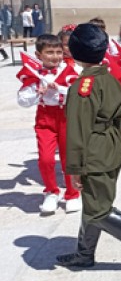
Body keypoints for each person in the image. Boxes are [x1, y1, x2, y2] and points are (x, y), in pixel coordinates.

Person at [55, 23, 121, 275]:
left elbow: (77, 132)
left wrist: (75, 168)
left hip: (93, 154)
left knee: (99, 209)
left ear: (74, 52)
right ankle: (84, 254)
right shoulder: (109, 78)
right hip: (110, 149)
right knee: (94, 203)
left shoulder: (83, 87)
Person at [17, 34, 81, 214]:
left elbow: (80, 92)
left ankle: (73, 194)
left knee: (69, 158)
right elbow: (22, 101)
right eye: (49, 52)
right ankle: (51, 192)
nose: (55, 56)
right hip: (45, 118)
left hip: (66, 116)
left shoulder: (70, 69)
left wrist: (60, 88)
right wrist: (38, 92)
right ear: (39, 55)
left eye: (58, 52)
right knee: (45, 158)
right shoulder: (34, 74)